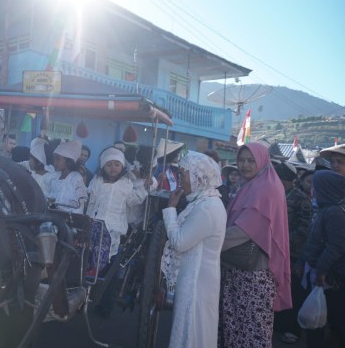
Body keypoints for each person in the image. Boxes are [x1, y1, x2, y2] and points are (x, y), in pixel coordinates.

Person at [219, 142, 292, 348]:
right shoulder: (254, 184)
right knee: (239, 330)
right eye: (241, 160)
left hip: (253, 276)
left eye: (251, 160)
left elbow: (244, 230)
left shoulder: (265, 188)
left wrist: (210, 243)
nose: (244, 165)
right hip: (242, 271)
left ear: (262, 161)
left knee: (251, 333)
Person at [160, 151, 227, 348]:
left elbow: (179, 242)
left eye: (184, 174)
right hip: (196, 278)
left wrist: (171, 209)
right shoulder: (203, 201)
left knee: (192, 331)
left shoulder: (207, 207)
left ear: (199, 176)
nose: (180, 180)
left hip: (198, 283)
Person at [300, 170, 345, 347]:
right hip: (318, 271)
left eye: (315, 187)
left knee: (328, 318)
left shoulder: (334, 212)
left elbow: (335, 246)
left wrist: (321, 271)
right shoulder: (324, 209)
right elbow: (313, 241)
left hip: (327, 277)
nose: (312, 190)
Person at [272, 161, 312, 344]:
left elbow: (304, 228)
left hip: (293, 254)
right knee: (276, 289)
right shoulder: (275, 194)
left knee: (292, 291)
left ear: (286, 178)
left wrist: (284, 242)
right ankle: (277, 324)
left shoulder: (300, 198)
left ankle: (291, 329)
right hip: (275, 251)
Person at [86, 147, 147, 264]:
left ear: (122, 166)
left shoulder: (126, 183)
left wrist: (143, 189)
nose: (113, 168)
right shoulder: (97, 181)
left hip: (113, 225)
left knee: (105, 251)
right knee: (90, 249)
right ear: (103, 166)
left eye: (116, 164)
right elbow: (91, 202)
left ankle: (98, 273)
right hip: (95, 222)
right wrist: (88, 219)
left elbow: (132, 200)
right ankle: (89, 271)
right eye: (108, 164)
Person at [46, 140, 88, 214]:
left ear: (69, 161)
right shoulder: (54, 177)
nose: (54, 162)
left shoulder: (76, 178)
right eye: (54, 159)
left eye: (58, 159)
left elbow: (79, 206)